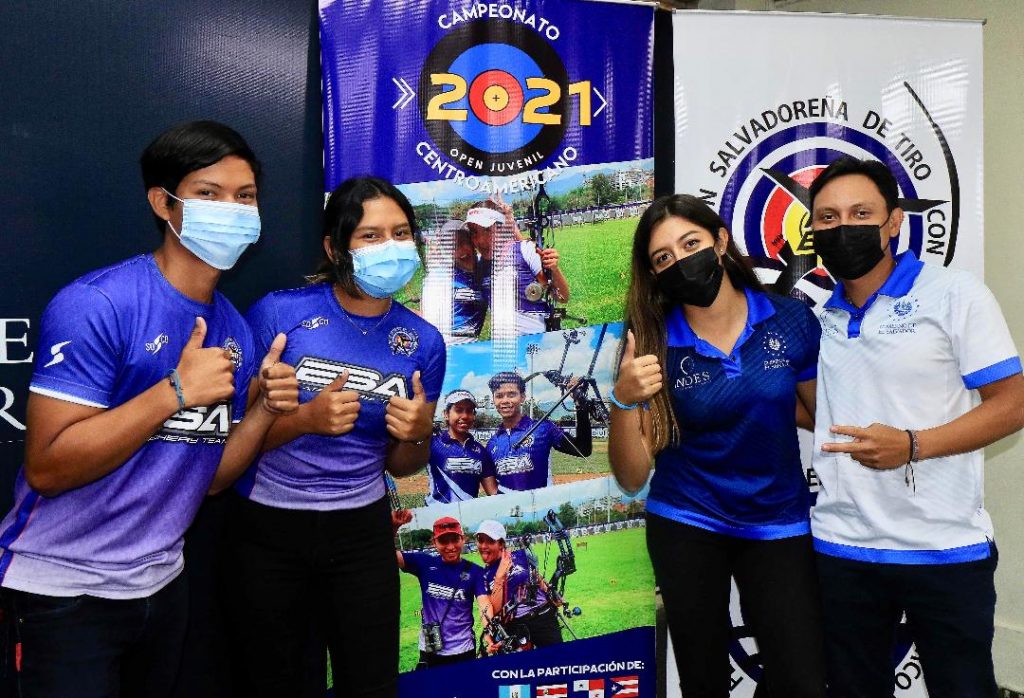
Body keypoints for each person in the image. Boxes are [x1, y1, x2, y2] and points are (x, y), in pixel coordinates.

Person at [0, 120, 299, 697]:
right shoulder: (98, 303)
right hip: (63, 592)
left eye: (245, 197)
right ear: (163, 203)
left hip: (161, 586)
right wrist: (173, 393)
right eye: (209, 194)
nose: (232, 210)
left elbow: (211, 480)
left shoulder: (234, 329)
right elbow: (48, 467)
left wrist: (264, 410)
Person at [806, 156, 1024, 698]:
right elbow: (817, 410)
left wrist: (912, 445)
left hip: (944, 548)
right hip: (842, 548)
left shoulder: (954, 293)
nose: (843, 227)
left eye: (861, 213)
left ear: (894, 221)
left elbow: (1013, 403)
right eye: (828, 218)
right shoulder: (820, 316)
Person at [224, 175, 445, 697]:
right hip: (268, 528)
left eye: (400, 233)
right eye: (370, 235)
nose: (390, 246)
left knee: (370, 682)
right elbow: (230, 442)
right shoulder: (279, 314)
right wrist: (304, 420)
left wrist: (419, 436)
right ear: (334, 248)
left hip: (360, 533)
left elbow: (402, 464)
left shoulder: (425, 341)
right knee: (273, 682)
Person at [608, 194, 826, 697]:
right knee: (703, 681)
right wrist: (623, 400)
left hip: (778, 519)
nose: (682, 261)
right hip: (688, 520)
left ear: (721, 241)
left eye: (691, 244)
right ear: (654, 273)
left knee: (802, 679)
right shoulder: (652, 339)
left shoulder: (791, 320)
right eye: (664, 257)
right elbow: (632, 476)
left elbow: (820, 415)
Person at [395, 516, 491, 668]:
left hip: (463, 650)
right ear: (434, 542)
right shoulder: (424, 563)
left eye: (455, 540)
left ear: (463, 539)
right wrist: (393, 528)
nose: (450, 547)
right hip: (430, 649)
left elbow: (484, 603)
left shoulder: (475, 571)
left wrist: (489, 631)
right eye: (443, 541)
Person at [465, 198, 569, 336]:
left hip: (535, 339)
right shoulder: (477, 265)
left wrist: (554, 269)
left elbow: (562, 297)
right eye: (474, 232)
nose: (480, 240)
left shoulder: (525, 251)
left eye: (487, 230)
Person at [485, 371, 591, 493]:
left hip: (542, 505)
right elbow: (493, 489)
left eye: (511, 394)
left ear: (522, 397)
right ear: (494, 400)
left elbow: (583, 449)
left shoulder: (543, 428)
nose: (505, 400)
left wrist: (580, 403)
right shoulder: (492, 444)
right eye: (499, 396)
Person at [474, 520, 562, 652]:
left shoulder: (520, 555)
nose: (483, 546)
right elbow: (491, 610)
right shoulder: (483, 576)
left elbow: (538, 579)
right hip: (515, 628)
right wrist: (499, 577)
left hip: (543, 617)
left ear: (501, 544)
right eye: (480, 540)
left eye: (490, 541)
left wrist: (552, 592)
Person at [425, 390, 498, 505]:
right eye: (458, 410)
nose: (464, 416)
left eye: (469, 411)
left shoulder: (480, 451)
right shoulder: (432, 444)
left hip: (467, 515)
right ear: (446, 414)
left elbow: (493, 492)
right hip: (436, 513)